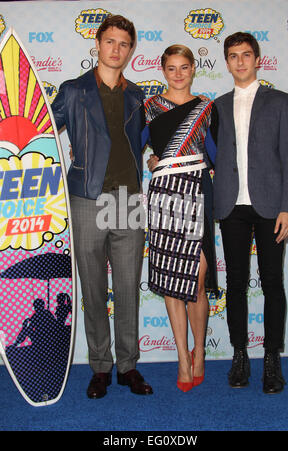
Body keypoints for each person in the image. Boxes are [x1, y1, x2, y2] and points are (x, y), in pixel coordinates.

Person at [51, 15, 153, 398]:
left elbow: (146, 139)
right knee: (93, 289)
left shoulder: (137, 95)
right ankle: (100, 367)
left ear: (130, 50)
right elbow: (44, 129)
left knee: (127, 289)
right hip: (86, 197)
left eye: (124, 44)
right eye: (110, 41)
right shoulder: (74, 90)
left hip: (128, 200)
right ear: (97, 44)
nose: (117, 49)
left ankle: (128, 366)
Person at [214, 32, 288, 394]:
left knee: (273, 283)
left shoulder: (280, 101)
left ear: (258, 58)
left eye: (246, 55)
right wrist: (158, 158)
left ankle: (272, 358)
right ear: (227, 61)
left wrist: (287, 208)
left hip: (269, 206)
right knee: (234, 283)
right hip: (231, 205)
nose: (240, 62)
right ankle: (239, 355)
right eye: (233, 56)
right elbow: (203, 153)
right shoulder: (216, 106)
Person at [146, 45, 218, 392]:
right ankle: (181, 357)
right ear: (163, 70)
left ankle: (199, 352)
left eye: (184, 67)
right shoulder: (149, 108)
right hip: (163, 197)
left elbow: (217, 154)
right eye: (171, 68)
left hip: (197, 194)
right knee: (171, 281)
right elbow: (130, 146)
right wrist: (157, 160)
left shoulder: (206, 107)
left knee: (197, 278)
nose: (178, 73)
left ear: (193, 69)